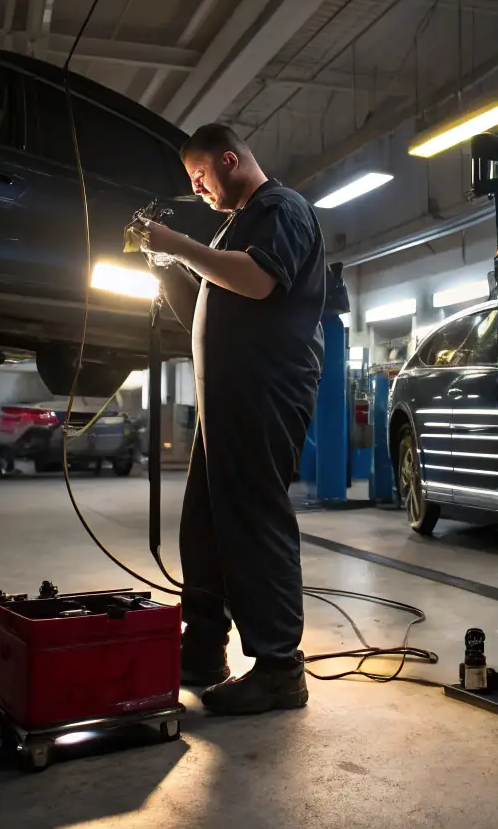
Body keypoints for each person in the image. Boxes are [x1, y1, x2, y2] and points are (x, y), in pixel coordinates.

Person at [131, 122, 326, 716]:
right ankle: (205, 648)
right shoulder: (232, 228)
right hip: (227, 398)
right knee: (205, 523)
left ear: (229, 159)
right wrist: (164, 263)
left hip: (264, 391)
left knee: (251, 520)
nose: (200, 189)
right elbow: (205, 305)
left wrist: (179, 245)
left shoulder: (280, 208)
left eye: (200, 177)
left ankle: (278, 669)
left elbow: (258, 280)